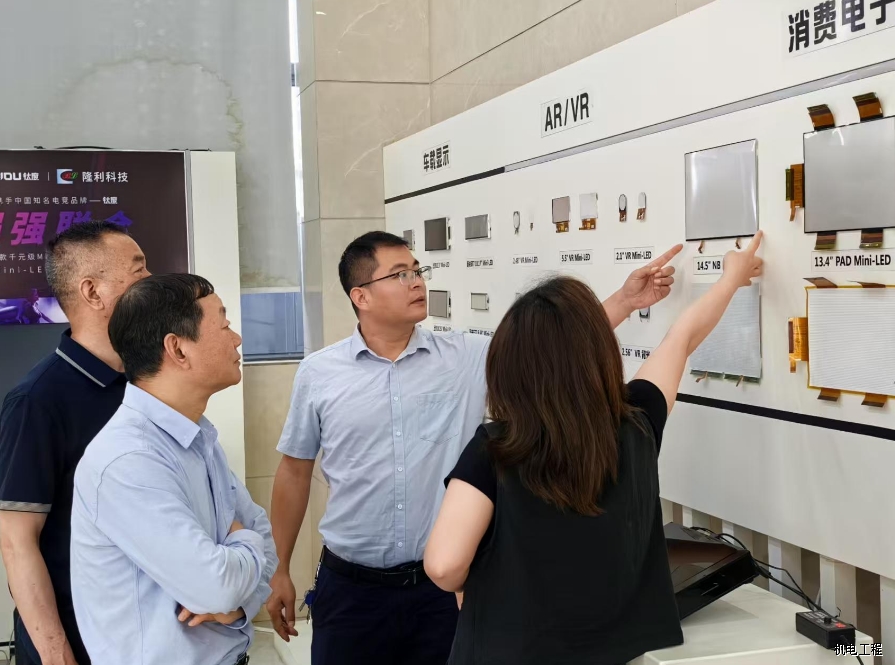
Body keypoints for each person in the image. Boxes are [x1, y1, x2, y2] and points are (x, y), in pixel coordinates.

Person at [266, 230, 683, 664]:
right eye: (399, 274)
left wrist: (625, 300)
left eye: (417, 270)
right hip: (351, 591)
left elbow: (553, 346)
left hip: (442, 594)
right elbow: (294, 472)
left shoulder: (463, 356)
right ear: (361, 296)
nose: (417, 282)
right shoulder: (319, 374)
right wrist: (279, 569)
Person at [424, 232, 765, 665]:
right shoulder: (638, 422)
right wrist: (731, 278)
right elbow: (681, 338)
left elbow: (443, 565)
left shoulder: (495, 447)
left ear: (507, 365)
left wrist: (470, 584)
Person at [70, 274, 277, 665]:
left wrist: (238, 605)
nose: (236, 339)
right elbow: (217, 585)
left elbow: (263, 538)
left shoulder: (197, 437)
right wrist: (243, 541)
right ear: (178, 349)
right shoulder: (128, 459)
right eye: (224, 325)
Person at [0, 221, 149, 665]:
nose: (151, 281)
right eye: (139, 271)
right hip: (78, 640)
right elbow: (16, 540)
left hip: (142, 634)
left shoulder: (145, 383)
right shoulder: (37, 401)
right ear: (92, 292)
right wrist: (55, 652)